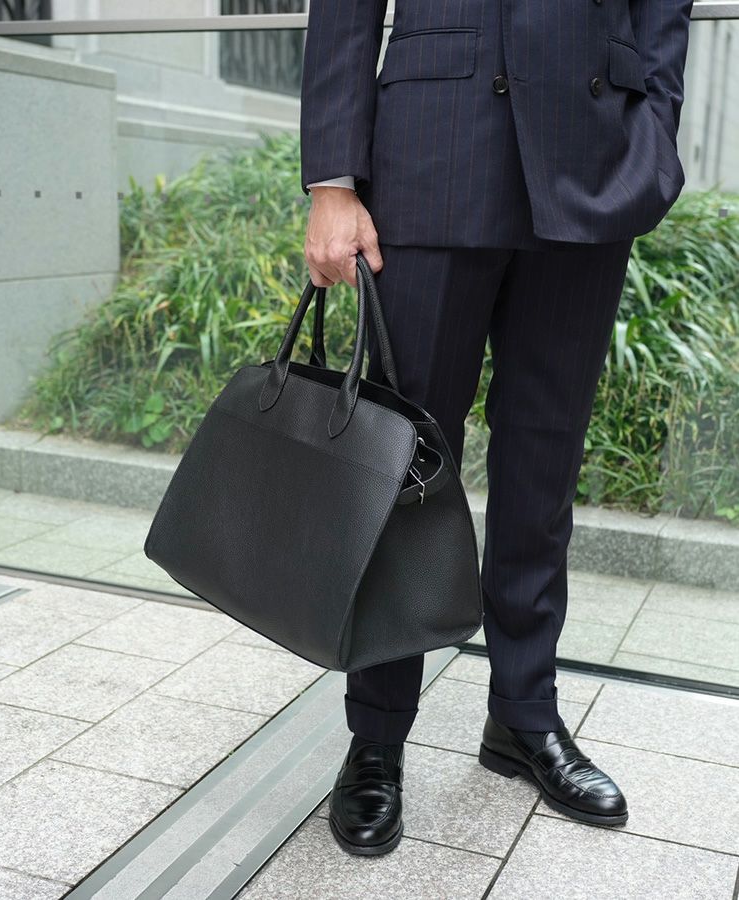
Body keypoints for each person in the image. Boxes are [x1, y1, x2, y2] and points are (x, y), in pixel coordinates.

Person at [299, 0, 693, 856]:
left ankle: (523, 713)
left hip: (593, 157)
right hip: (434, 144)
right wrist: (333, 179)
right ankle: (377, 734)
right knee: (401, 465)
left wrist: (653, 132)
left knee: (544, 464)